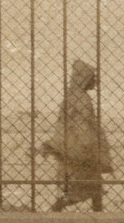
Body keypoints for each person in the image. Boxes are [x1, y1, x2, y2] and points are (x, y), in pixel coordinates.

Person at [40, 60, 113, 212]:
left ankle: (96, 211)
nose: (95, 81)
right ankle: (59, 209)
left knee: (91, 185)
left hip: (73, 146)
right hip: (82, 149)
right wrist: (90, 145)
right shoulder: (82, 99)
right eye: (92, 78)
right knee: (87, 185)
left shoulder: (72, 96)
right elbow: (83, 124)